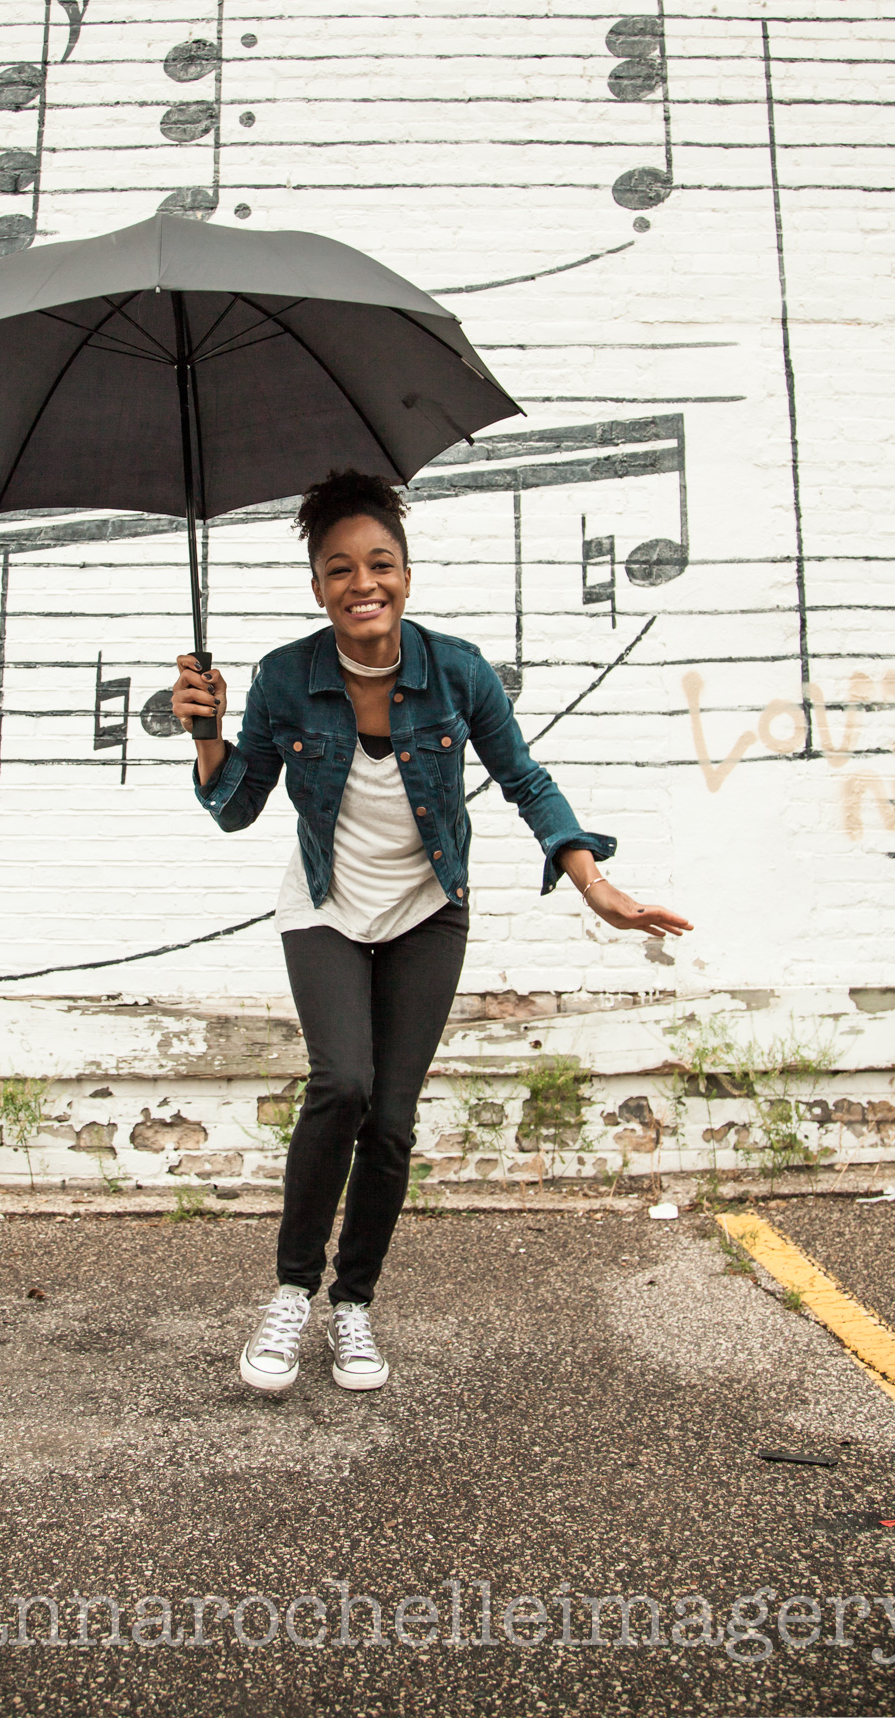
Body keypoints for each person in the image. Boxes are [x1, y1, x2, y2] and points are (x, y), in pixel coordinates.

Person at [171, 470, 691, 1394]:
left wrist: (593, 885)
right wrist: (206, 734)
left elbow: (525, 779)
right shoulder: (285, 677)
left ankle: (353, 1305)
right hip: (326, 904)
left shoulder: (456, 670)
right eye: (339, 569)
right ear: (317, 585)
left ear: (406, 574)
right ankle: (291, 1293)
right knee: (341, 1083)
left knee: (394, 1122)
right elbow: (234, 806)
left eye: (380, 564)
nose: (361, 583)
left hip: (427, 910)